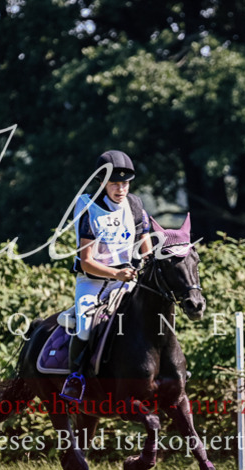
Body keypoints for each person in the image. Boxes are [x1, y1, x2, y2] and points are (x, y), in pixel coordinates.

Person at [61, 150, 153, 400]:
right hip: (92, 282)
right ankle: (75, 377)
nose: (121, 189)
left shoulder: (135, 205)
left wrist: (147, 266)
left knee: (152, 316)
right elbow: (87, 261)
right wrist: (116, 273)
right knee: (85, 328)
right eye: (114, 184)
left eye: (125, 183)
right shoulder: (89, 208)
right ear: (102, 182)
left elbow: (147, 249)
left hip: (126, 281)